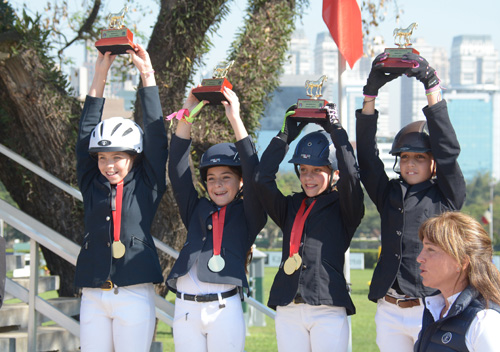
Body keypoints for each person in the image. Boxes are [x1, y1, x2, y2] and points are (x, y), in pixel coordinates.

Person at [356, 53, 466, 352]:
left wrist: (430, 85)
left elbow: (447, 150)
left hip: (429, 305)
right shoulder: (388, 193)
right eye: (405, 157)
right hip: (389, 308)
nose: (411, 164)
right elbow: (366, 159)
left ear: (433, 163)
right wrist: (370, 95)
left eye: (420, 157)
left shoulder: (447, 195)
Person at [74, 45, 167, 352]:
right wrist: (101, 73)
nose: (109, 165)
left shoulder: (147, 184)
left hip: (133, 294)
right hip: (93, 295)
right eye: (102, 157)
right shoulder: (91, 183)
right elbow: (86, 130)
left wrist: (146, 74)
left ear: (134, 158)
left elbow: (156, 136)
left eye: (117, 157)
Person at [254, 104, 364, 352]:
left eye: (317, 171)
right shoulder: (290, 206)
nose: (308, 178)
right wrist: (285, 136)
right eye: (303, 170)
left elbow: (352, 176)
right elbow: (262, 178)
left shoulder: (346, 207)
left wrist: (335, 130)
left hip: (328, 308)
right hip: (288, 308)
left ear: (334, 173)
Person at [166, 86, 267, 352]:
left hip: (225, 309)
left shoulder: (250, 215)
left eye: (226, 178)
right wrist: (187, 114)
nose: (218, 185)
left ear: (240, 181)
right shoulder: (195, 209)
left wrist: (235, 118)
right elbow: (177, 168)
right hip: (185, 309)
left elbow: (254, 171)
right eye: (211, 179)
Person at [414, 211, 500, 352]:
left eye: (431, 249)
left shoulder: (484, 321)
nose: (420, 257)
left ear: (461, 262)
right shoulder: (434, 309)